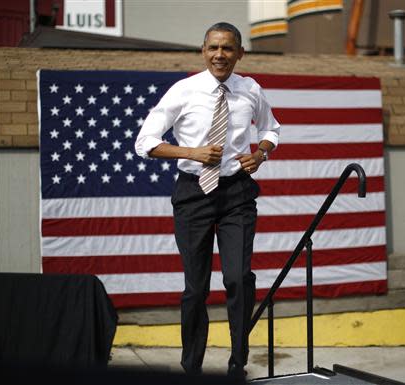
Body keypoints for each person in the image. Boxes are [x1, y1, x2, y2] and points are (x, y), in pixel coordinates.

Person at [135, 22, 280, 378]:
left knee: (238, 278)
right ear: (203, 51)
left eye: (228, 48)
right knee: (196, 289)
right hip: (193, 193)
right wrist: (193, 152)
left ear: (240, 53)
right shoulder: (184, 90)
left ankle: (237, 362)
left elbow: (271, 129)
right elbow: (145, 142)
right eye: (213, 48)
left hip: (237, 194)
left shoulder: (250, 89)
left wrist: (260, 153)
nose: (220, 55)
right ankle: (192, 367)